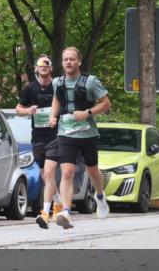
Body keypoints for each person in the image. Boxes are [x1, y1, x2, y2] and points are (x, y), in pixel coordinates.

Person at [47, 47, 112, 229]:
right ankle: (66, 212)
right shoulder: (57, 82)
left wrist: (87, 113)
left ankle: (100, 196)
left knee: (93, 170)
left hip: (87, 133)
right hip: (66, 132)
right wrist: (53, 116)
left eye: (72, 59)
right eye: (65, 59)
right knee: (67, 172)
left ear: (79, 61)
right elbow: (57, 99)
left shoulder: (90, 82)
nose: (68, 62)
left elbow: (106, 104)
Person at [15, 55, 61, 229]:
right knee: (44, 174)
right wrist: (29, 111)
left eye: (47, 64)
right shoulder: (30, 88)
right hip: (38, 138)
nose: (44, 66)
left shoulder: (57, 86)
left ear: (51, 68)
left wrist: (57, 117)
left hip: (55, 136)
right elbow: (18, 109)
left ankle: (46, 212)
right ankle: (58, 203)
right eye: (41, 64)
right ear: (36, 68)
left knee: (49, 173)